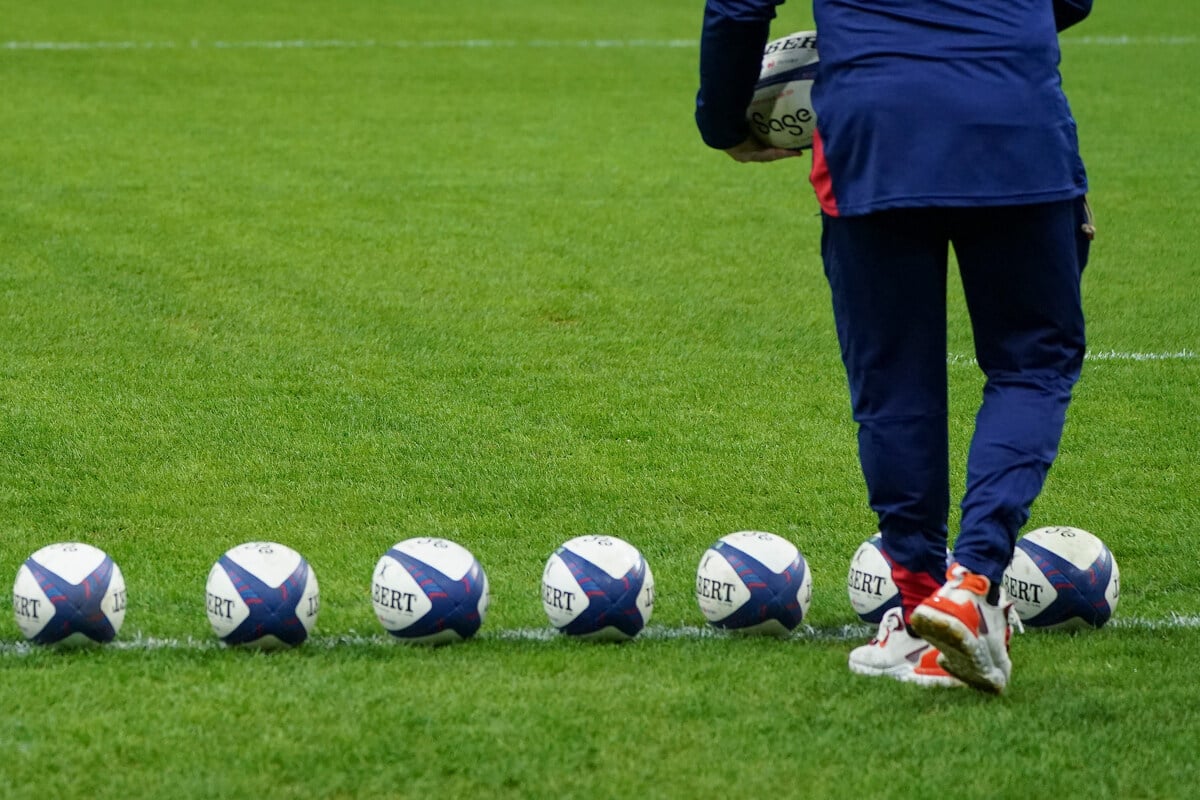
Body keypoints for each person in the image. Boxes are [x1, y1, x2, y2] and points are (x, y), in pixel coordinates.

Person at [696, 0, 1095, 693]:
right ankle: (969, 585)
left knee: (895, 379)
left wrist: (723, 121)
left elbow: (740, 5)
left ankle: (918, 619)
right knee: (1032, 361)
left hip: (875, 129)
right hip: (1016, 119)